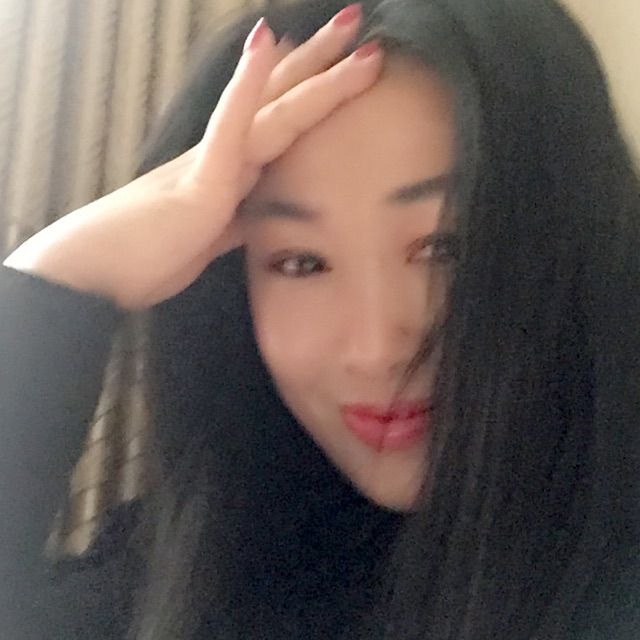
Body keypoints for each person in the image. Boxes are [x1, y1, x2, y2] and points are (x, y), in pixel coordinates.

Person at [1, 0, 639, 638]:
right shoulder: (190, 569)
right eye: (300, 262)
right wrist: (57, 280)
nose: (374, 350)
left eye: (447, 247)